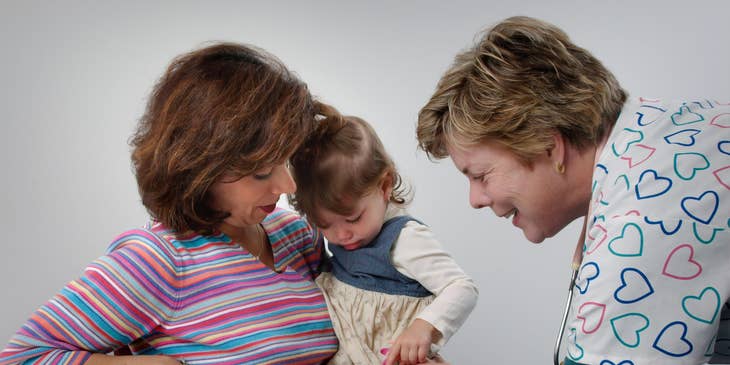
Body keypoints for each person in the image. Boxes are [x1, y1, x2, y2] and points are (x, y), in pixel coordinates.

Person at [416, 15, 730, 365]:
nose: (475, 200)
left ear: (548, 146)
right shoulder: (667, 130)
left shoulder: (641, 221)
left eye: (481, 175)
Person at [0, 43, 338, 364]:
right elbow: (24, 356)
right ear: (199, 169)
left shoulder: (297, 235)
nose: (288, 185)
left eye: (287, 160)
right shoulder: (157, 261)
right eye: (262, 173)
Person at [288, 104, 479, 365]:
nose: (342, 234)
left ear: (385, 186)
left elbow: (462, 289)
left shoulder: (404, 240)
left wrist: (424, 327)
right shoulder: (328, 240)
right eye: (324, 224)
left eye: (353, 218)